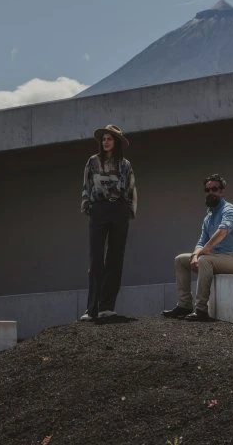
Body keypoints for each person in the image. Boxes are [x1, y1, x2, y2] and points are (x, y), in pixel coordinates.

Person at [162, 173, 233, 321]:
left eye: (214, 189)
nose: (210, 193)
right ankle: (184, 305)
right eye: (207, 190)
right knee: (181, 260)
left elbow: (222, 231)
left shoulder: (230, 210)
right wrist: (195, 255)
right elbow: (201, 242)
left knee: (204, 260)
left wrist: (205, 252)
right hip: (216, 258)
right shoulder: (208, 216)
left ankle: (201, 309)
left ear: (222, 191)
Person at [79, 124, 137, 321]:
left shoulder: (125, 164)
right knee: (96, 259)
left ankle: (107, 307)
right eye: (103, 138)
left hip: (118, 210)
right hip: (99, 210)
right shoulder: (92, 162)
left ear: (117, 142)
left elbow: (131, 188)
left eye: (109, 138)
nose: (105, 142)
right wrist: (87, 204)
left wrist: (128, 209)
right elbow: (86, 185)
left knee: (115, 258)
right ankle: (91, 309)